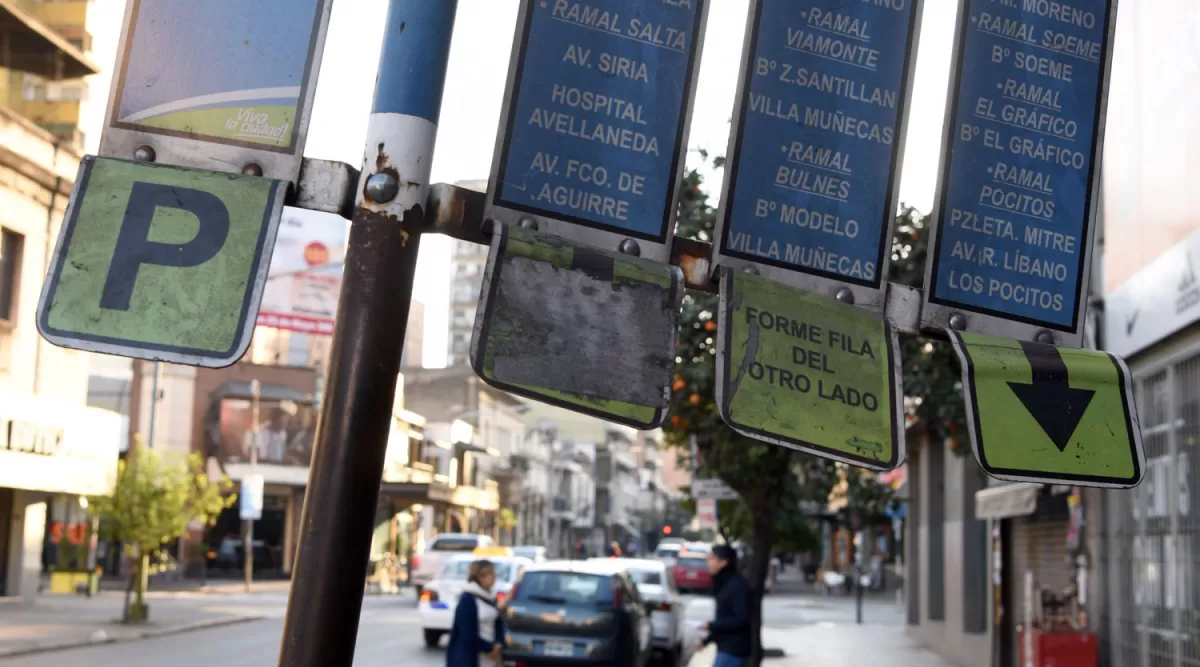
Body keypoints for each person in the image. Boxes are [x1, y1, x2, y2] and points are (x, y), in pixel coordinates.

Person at [697, 544, 752, 667]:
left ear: (723, 562)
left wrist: (711, 625)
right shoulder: (723, 584)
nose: (708, 562)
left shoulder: (735, 586)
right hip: (726, 648)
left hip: (734, 650)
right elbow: (723, 618)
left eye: (712, 558)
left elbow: (742, 619)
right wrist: (706, 640)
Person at [445, 559, 505, 667]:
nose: (494, 577)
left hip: (490, 658)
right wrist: (489, 648)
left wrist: (498, 643)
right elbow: (467, 634)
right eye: (491, 574)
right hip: (470, 658)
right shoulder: (468, 599)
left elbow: (498, 622)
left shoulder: (490, 597)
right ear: (480, 576)